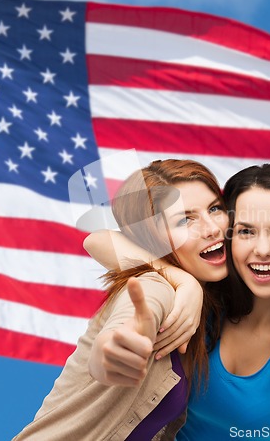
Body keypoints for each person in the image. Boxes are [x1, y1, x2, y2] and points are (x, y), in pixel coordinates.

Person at [87, 162, 270, 440]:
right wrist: (186, 282)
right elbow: (98, 239)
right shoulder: (201, 305)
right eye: (246, 231)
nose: (262, 249)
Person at [12, 159, 229, 441]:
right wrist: (115, 351)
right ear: (153, 238)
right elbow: (125, 330)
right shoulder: (154, 288)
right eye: (185, 220)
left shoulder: (207, 307)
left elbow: (98, 239)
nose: (211, 228)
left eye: (214, 208)